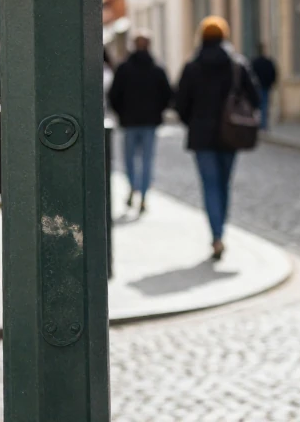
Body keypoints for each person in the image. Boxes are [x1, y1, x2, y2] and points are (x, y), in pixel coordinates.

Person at [175, 16, 260, 260]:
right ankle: (221, 230)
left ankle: (216, 236)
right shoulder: (237, 64)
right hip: (231, 135)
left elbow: (180, 104)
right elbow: (254, 98)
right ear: (224, 36)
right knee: (224, 184)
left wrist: (194, 121)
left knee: (210, 186)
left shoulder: (192, 66)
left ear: (201, 37)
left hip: (202, 137)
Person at [109, 31, 173, 214]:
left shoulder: (124, 68)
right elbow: (167, 95)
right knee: (146, 159)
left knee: (130, 159)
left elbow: (114, 95)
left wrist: (121, 113)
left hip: (129, 121)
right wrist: (157, 111)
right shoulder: (157, 68)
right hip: (149, 122)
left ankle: (133, 187)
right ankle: (143, 194)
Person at [250, 44, 278, 130]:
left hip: (257, 87)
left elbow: (250, 75)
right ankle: (263, 124)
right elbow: (274, 73)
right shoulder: (268, 62)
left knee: (257, 106)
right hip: (266, 86)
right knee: (265, 105)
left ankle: (259, 124)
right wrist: (271, 83)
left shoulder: (254, 62)